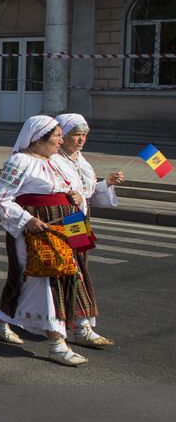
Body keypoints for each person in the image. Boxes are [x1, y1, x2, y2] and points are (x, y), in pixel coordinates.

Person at [0, 116, 93, 366]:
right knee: (43, 281)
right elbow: (0, 199)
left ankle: (1, 319)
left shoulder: (58, 162)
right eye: (57, 135)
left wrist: (78, 196)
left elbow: (77, 189)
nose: (61, 139)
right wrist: (26, 220)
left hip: (67, 227)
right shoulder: (20, 161)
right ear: (38, 138)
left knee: (68, 275)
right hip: (38, 232)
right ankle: (57, 344)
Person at [54, 113, 123, 350]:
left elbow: (89, 192)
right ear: (62, 136)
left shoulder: (80, 160)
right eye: (76, 135)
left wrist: (107, 183)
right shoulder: (54, 159)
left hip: (79, 220)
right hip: (65, 220)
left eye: (84, 135)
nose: (81, 139)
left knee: (78, 265)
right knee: (74, 268)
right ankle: (81, 325)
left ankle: (71, 320)